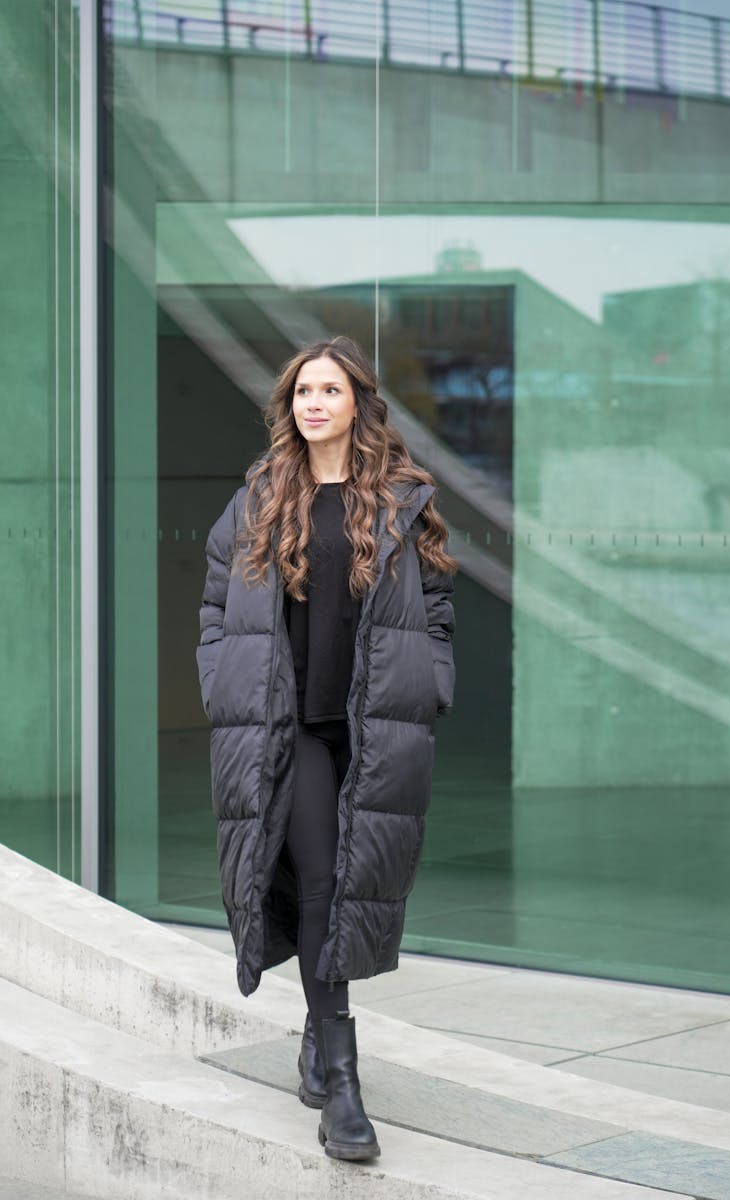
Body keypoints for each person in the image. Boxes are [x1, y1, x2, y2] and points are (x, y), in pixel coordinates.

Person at [196, 335, 456, 1162]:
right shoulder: (261, 498)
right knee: (321, 880)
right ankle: (342, 1083)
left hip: (375, 725)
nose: (313, 403)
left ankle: (316, 1030)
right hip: (292, 728)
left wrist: (431, 683)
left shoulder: (401, 498)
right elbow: (214, 604)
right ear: (291, 406)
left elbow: (438, 606)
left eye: (329, 391)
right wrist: (223, 684)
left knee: (355, 883)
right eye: (302, 391)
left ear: (357, 405)